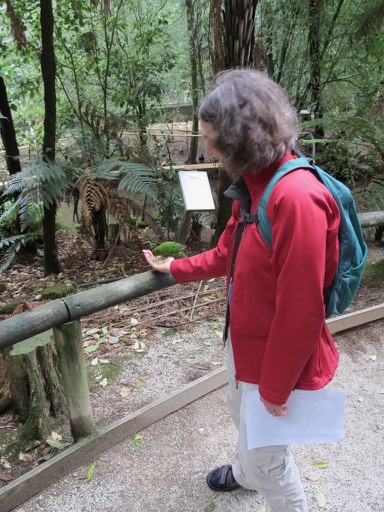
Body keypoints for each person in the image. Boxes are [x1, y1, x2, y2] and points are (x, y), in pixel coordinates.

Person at [143, 69, 340, 512]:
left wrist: (274, 388)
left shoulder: (296, 198)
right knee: (243, 420)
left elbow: (302, 310)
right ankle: (246, 472)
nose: (208, 148)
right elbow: (224, 255)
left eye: (214, 138)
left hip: (276, 360)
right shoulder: (254, 188)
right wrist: (174, 267)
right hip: (245, 345)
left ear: (243, 136)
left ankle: (260, 476)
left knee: (271, 460)